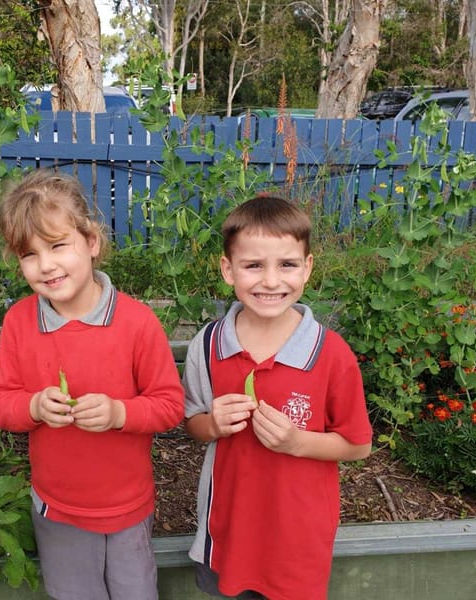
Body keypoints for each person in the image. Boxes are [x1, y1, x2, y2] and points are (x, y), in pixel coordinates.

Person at [0, 169, 184, 600]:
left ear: (91, 243)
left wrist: (119, 412)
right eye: (29, 255)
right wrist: (35, 407)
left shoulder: (136, 323)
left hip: (127, 507)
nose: (46, 265)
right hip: (58, 509)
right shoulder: (20, 322)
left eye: (59, 246)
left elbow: (170, 405)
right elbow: (0, 404)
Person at [182, 195, 373, 599]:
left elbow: (358, 445)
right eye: (253, 265)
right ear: (227, 270)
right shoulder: (208, 345)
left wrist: (297, 442)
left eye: (286, 264)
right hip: (227, 532)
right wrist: (213, 423)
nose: (271, 281)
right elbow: (194, 424)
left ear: (307, 268)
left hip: (298, 541)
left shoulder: (331, 353)